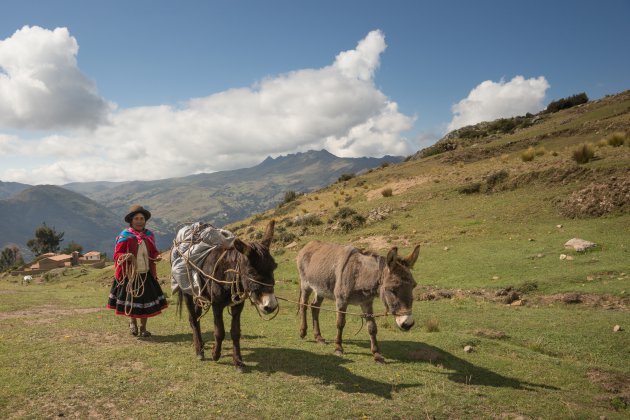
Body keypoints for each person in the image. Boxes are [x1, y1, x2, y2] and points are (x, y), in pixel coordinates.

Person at [107, 204, 168, 337]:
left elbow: (154, 251)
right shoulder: (125, 236)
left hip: (146, 274)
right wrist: (126, 256)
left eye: (142, 218)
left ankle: (143, 328)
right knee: (132, 302)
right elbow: (116, 255)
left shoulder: (149, 236)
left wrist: (156, 257)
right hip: (129, 275)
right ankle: (132, 322)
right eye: (137, 219)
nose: (140, 221)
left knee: (145, 303)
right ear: (131, 221)